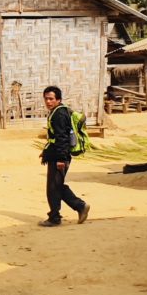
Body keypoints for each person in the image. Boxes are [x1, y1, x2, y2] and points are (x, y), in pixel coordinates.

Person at [38, 86, 90, 227]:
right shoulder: (57, 111)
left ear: (58, 99)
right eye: (46, 98)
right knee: (56, 186)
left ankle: (60, 215)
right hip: (56, 154)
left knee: (54, 188)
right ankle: (76, 208)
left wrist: (61, 159)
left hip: (60, 157)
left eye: (51, 99)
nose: (48, 101)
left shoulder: (59, 115)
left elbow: (62, 138)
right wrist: (46, 151)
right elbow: (56, 137)